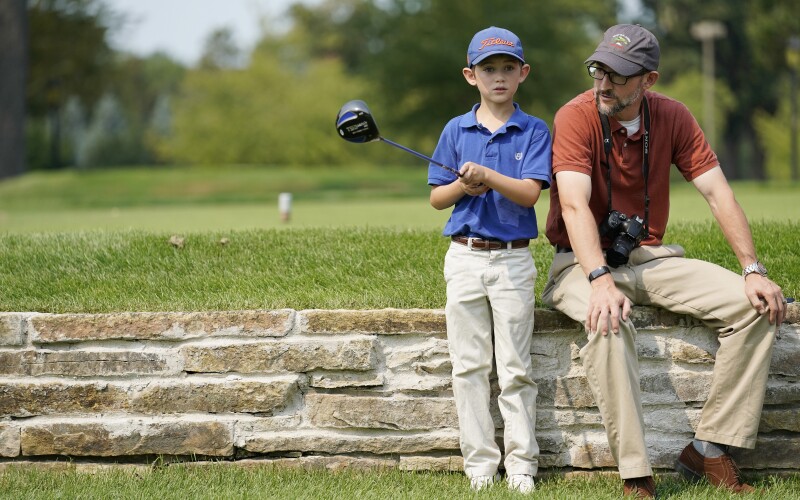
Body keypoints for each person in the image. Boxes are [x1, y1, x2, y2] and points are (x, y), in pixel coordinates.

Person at [542, 24, 787, 498]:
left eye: (618, 74)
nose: (603, 83)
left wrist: (753, 269)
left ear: (648, 80)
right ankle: (637, 477)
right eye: (598, 70)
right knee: (609, 321)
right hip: (578, 263)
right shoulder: (574, 116)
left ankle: (708, 450)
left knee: (753, 304)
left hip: (649, 257)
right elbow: (573, 204)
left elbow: (718, 193)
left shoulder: (674, 116)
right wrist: (597, 279)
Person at [427, 26, 552, 493]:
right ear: (470, 75)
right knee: (469, 366)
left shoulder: (534, 129)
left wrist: (488, 175)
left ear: (523, 73)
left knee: (516, 369)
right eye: (487, 69)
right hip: (464, 258)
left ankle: (522, 465)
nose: (497, 77)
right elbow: (438, 199)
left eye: (506, 68)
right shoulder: (455, 130)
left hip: (513, 262)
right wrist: (463, 185)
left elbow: (529, 194)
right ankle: (480, 464)